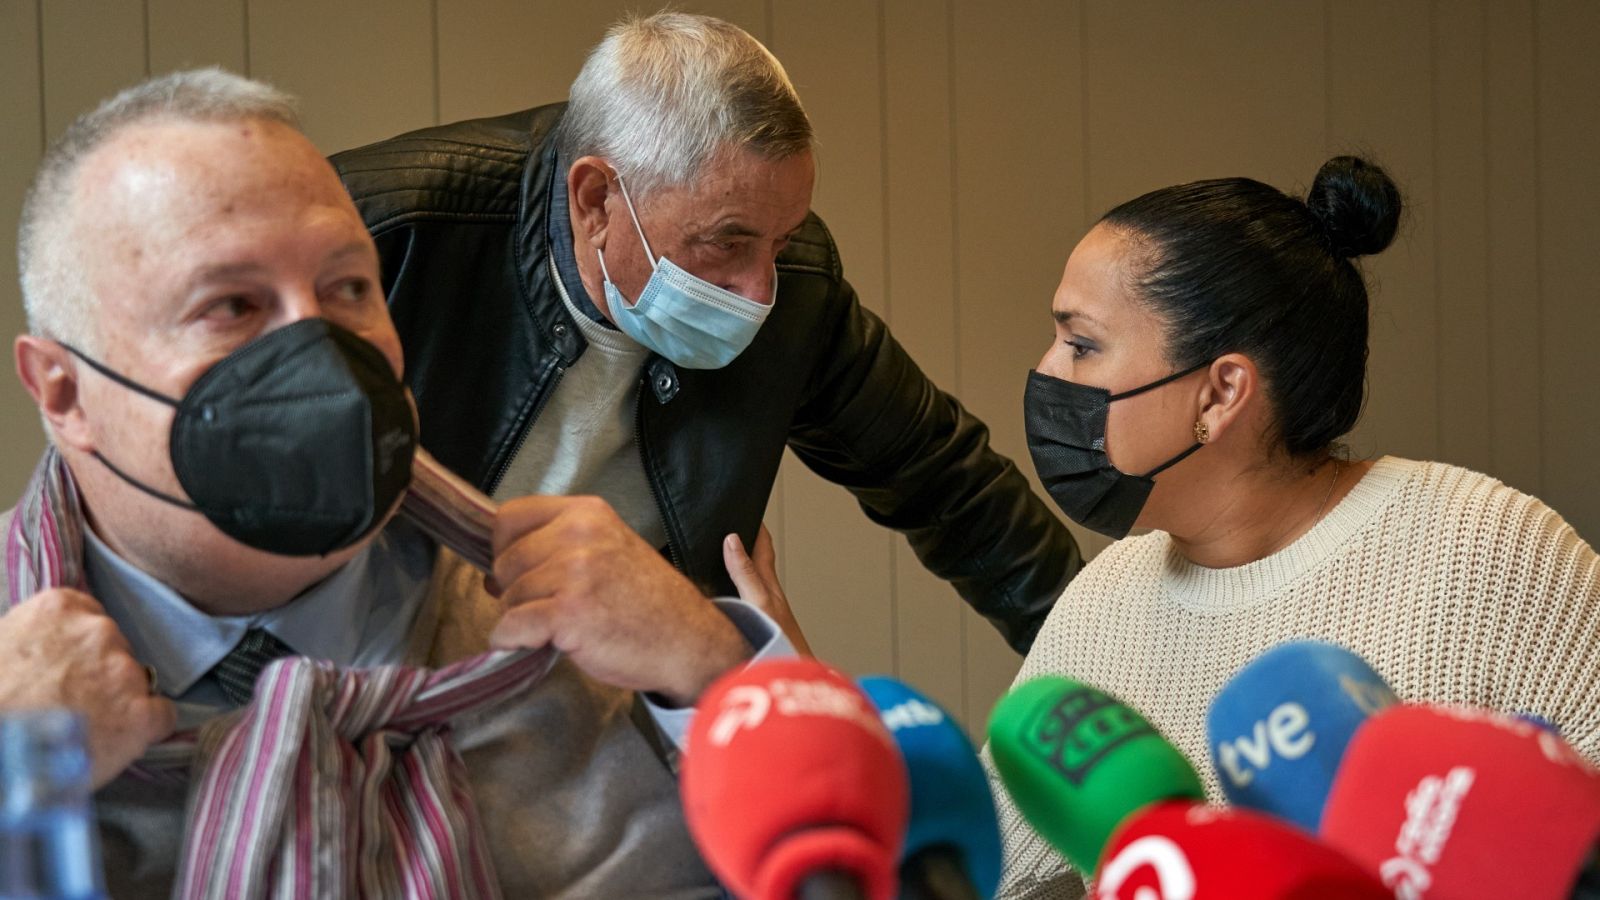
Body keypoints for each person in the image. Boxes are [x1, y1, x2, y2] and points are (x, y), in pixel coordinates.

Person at [2, 68, 792, 898]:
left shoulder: (575, 646)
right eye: (231, 304)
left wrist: (719, 675)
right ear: (64, 392)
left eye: (349, 288)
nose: (320, 347)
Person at [329, 11, 1080, 654]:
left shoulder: (798, 294)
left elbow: (950, 487)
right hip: (369, 674)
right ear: (594, 199)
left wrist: (1111, 677)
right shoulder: (379, 239)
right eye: (725, 242)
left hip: (615, 703)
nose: (759, 292)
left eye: (781, 241)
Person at [993, 156, 1600, 898]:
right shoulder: (1102, 603)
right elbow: (985, 867)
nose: (1047, 370)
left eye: (1081, 345)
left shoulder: (1485, 545)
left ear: (1219, 394)